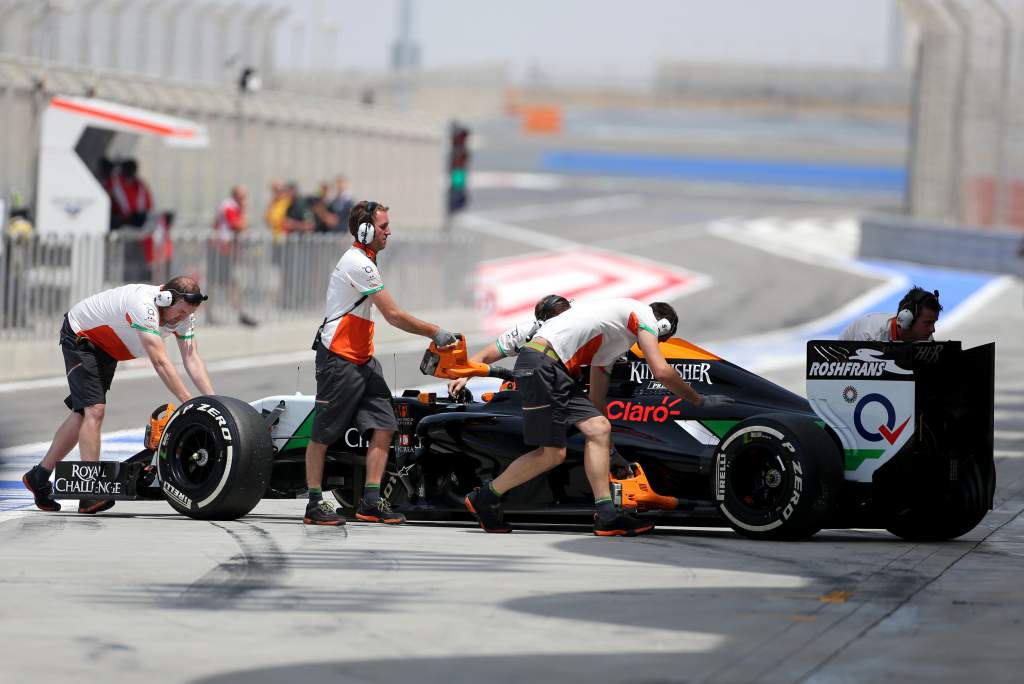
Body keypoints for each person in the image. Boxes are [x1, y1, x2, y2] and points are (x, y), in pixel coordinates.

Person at [464, 297, 734, 537]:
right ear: (662, 327)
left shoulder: (615, 335)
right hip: (542, 366)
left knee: (599, 428)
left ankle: (607, 516)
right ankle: (484, 498)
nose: (653, 343)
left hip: (548, 368)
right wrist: (699, 401)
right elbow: (661, 371)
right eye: (660, 339)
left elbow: (596, 400)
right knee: (551, 454)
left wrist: (610, 450)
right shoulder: (644, 317)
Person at [303, 200, 457, 526]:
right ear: (366, 231)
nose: (389, 232)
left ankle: (371, 500)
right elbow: (394, 315)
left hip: (362, 360)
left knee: (385, 425)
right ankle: (314, 503)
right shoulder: (359, 263)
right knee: (322, 434)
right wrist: (436, 331)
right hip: (338, 359)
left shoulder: (368, 260)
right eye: (384, 227)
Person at [21, 277, 215, 514]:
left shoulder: (183, 315)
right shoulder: (143, 306)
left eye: (187, 314)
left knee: (83, 413)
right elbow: (161, 362)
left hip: (107, 347)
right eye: (180, 312)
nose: (180, 319)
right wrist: (189, 401)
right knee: (94, 410)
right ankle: (88, 492)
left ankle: (38, 476)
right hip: (82, 336)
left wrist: (213, 401)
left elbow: (192, 358)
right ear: (166, 297)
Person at [447, 294, 571, 398]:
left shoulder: (584, 331)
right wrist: (463, 375)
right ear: (540, 323)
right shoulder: (526, 331)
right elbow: (485, 356)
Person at [211, 186, 258, 326]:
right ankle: (237, 313)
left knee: (228, 283)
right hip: (222, 250)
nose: (245, 200)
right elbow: (239, 226)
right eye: (243, 197)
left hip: (225, 250)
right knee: (221, 283)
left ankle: (239, 313)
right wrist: (244, 212)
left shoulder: (231, 206)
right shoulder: (229, 206)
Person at [839, 286, 942, 343]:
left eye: (933, 323)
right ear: (908, 319)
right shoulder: (870, 335)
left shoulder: (925, 338)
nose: (932, 329)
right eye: (927, 323)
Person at [105, 159, 153, 230]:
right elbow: (107, 196)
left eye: (132, 170)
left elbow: (149, 207)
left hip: (138, 224)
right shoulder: (114, 182)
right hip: (119, 222)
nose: (130, 172)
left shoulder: (141, 186)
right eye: (128, 169)